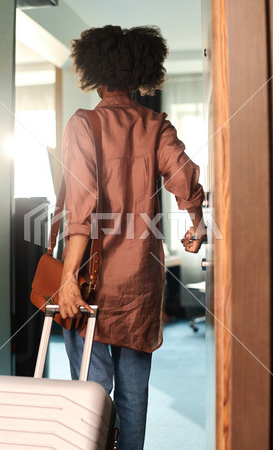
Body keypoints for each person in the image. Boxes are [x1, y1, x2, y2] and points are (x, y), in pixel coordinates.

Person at [58, 25, 206, 450]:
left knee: (91, 386)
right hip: (140, 278)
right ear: (141, 72)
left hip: (89, 279)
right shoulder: (156, 124)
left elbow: (81, 211)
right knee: (134, 390)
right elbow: (184, 178)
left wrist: (68, 277)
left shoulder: (83, 124)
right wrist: (196, 225)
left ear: (96, 75)